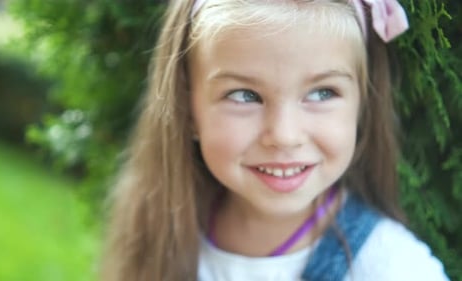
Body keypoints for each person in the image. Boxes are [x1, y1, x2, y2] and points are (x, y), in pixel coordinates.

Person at [101, 1, 450, 280]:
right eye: (244, 95)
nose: (284, 135)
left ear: (361, 105)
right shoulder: (164, 234)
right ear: (187, 109)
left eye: (322, 92)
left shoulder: (391, 267)